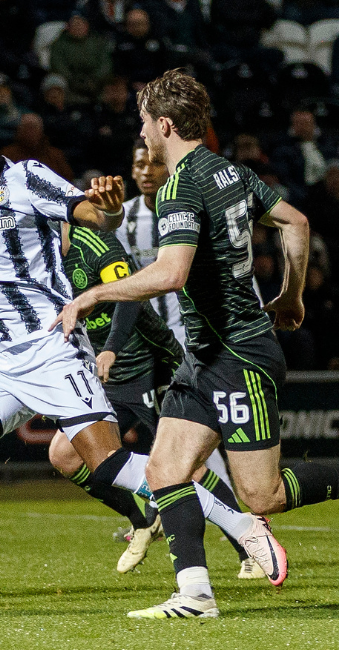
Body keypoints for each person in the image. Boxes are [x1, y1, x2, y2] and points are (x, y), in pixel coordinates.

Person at [0, 119, 272, 614]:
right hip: (1, 360)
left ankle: (241, 524)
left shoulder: (26, 179)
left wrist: (104, 212)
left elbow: (92, 215)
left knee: (106, 463)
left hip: (54, 347)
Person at [55, 70, 336, 618]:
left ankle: (203, 584)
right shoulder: (232, 171)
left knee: (263, 497)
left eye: (143, 122)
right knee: (164, 472)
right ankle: (195, 595)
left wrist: (94, 296)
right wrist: (290, 296)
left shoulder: (179, 186)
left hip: (237, 356)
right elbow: (295, 221)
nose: (140, 133)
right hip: (204, 357)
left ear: (163, 124)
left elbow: (171, 273)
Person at [50, 223, 261, 578]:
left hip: (153, 363)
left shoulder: (94, 243)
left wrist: (112, 348)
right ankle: (143, 520)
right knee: (64, 454)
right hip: (102, 376)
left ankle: (250, 548)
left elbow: (131, 298)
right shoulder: (34, 259)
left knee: (189, 466)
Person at [116, 141, 185, 343]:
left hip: (187, 329)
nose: (147, 172)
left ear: (169, 168)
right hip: (144, 335)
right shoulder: (122, 218)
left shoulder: (188, 211)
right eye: (140, 165)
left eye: (155, 163)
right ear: (133, 172)